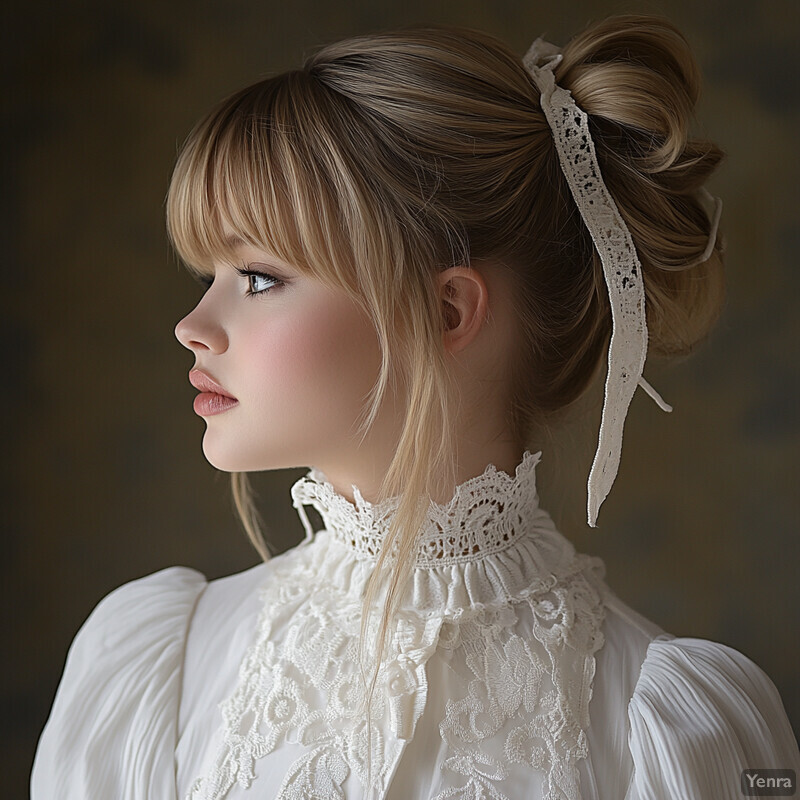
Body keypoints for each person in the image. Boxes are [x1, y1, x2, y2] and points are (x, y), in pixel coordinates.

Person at [31, 14, 800, 800]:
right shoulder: (161, 669)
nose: (192, 329)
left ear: (447, 314)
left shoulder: (668, 728)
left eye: (258, 277)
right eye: (208, 279)